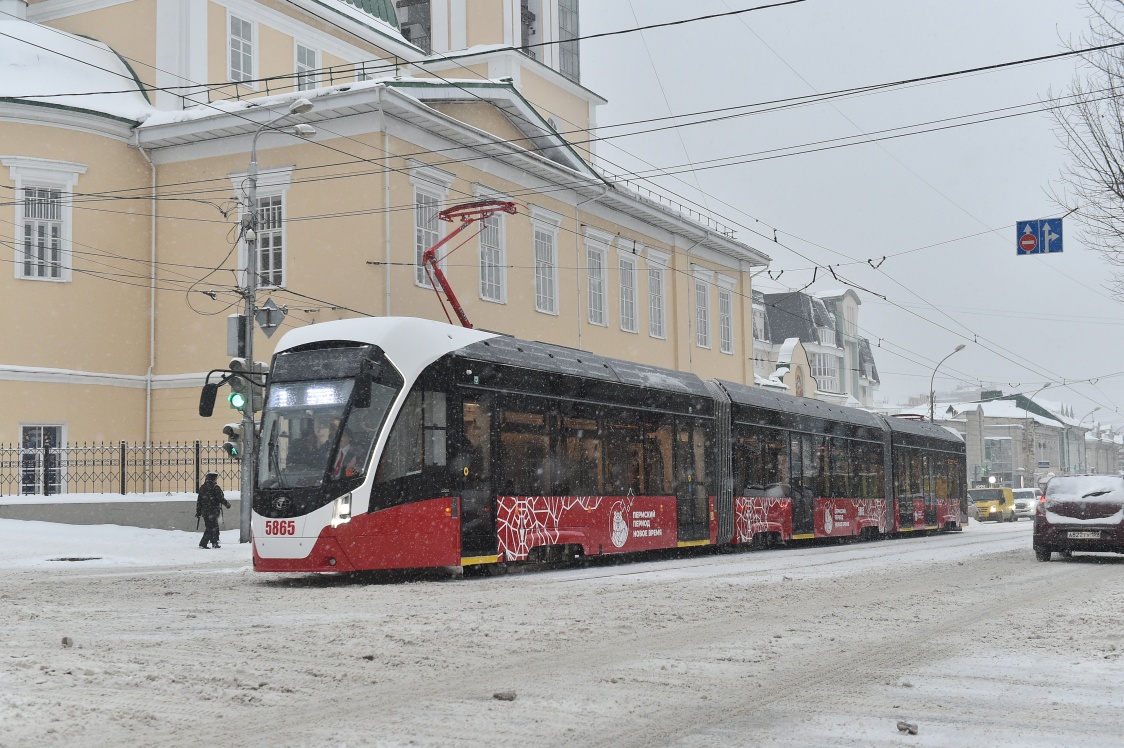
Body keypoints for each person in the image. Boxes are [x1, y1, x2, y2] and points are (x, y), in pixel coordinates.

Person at [195, 472, 231, 549]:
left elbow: (199, 501)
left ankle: (214, 542)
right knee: (211, 527)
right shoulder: (215, 487)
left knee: (213, 526)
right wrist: (227, 504)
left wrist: (198, 512)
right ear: (214, 479)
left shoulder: (202, 487)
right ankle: (203, 543)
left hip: (205, 512)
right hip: (213, 511)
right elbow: (220, 498)